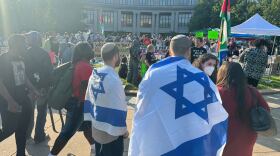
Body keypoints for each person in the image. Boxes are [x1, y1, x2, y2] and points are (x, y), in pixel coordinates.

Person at [129, 35, 228, 156]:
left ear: (170, 50)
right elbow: (215, 111)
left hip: (163, 140)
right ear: (189, 51)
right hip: (193, 142)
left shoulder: (153, 75)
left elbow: (142, 110)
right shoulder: (204, 79)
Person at [49, 42, 95, 156]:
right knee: (67, 133)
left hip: (78, 102)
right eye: (89, 48)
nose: (91, 50)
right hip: (80, 104)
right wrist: (81, 102)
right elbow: (84, 85)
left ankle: (95, 149)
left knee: (87, 128)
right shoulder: (85, 66)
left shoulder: (78, 64)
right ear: (85, 51)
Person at [216, 62, 270, 156]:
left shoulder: (218, 92)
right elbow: (266, 110)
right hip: (248, 134)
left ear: (221, 74)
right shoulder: (252, 91)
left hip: (223, 136)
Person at [84, 43, 128, 156]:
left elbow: (88, 100)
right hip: (111, 133)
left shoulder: (94, 74)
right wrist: (123, 130)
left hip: (96, 127)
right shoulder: (114, 79)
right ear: (115, 56)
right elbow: (120, 107)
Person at [0, 34, 40, 156]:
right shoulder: (3, 59)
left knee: (22, 130)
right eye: (23, 44)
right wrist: (10, 101)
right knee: (9, 129)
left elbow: (24, 77)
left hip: (23, 99)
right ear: (16, 45)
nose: (26, 46)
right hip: (8, 101)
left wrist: (34, 90)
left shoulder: (21, 58)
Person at [24, 31, 53, 144]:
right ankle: (39, 135)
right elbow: (49, 72)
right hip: (41, 88)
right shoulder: (44, 54)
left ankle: (27, 134)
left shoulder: (24, 53)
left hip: (29, 88)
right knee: (41, 112)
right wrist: (48, 86)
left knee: (29, 113)